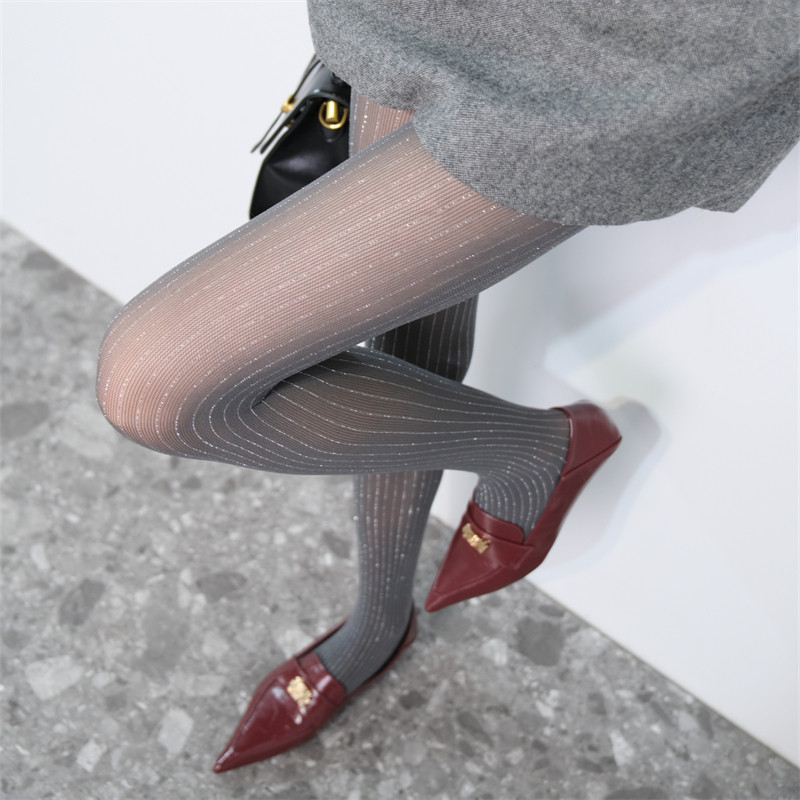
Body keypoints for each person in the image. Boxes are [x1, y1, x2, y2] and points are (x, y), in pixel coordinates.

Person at [95, 0, 799, 773]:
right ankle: (389, 612)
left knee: (154, 384)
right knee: (403, 344)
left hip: (627, 48)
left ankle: (524, 467)